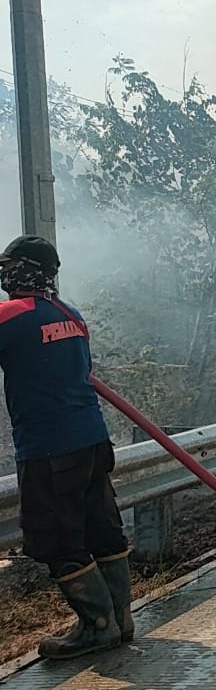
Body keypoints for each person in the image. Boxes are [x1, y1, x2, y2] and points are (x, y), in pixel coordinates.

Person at [0, 235, 133, 659]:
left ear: (24, 270)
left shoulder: (8, 316)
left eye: (8, 266)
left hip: (48, 448)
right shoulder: (70, 315)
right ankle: (120, 619)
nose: (3, 274)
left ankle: (97, 627)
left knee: (55, 539)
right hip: (91, 441)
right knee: (101, 528)